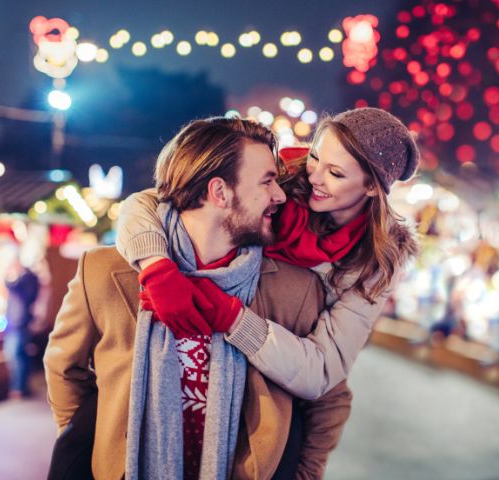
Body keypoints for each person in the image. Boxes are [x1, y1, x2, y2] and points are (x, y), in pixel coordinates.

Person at [44, 117, 351, 480]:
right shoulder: (103, 272)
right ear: (219, 192)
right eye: (268, 180)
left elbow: (328, 397)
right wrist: (100, 446)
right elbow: (64, 369)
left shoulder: (294, 290)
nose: (279, 195)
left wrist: (304, 474)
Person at [116, 107, 420, 401]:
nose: (314, 177)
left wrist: (232, 317)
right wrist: (156, 269)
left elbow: (324, 371)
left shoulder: (375, 262)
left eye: (336, 173)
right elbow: (152, 202)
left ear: (370, 187)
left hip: (268, 381)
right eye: (315, 157)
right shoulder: (281, 180)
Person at [4, 256, 40, 398]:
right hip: (18, 322)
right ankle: (20, 387)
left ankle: (19, 388)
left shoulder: (28, 278)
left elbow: (12, 287)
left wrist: (8, 276)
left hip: (20, 322)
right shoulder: (29, 278)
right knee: (20, 355)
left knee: (16, 355)